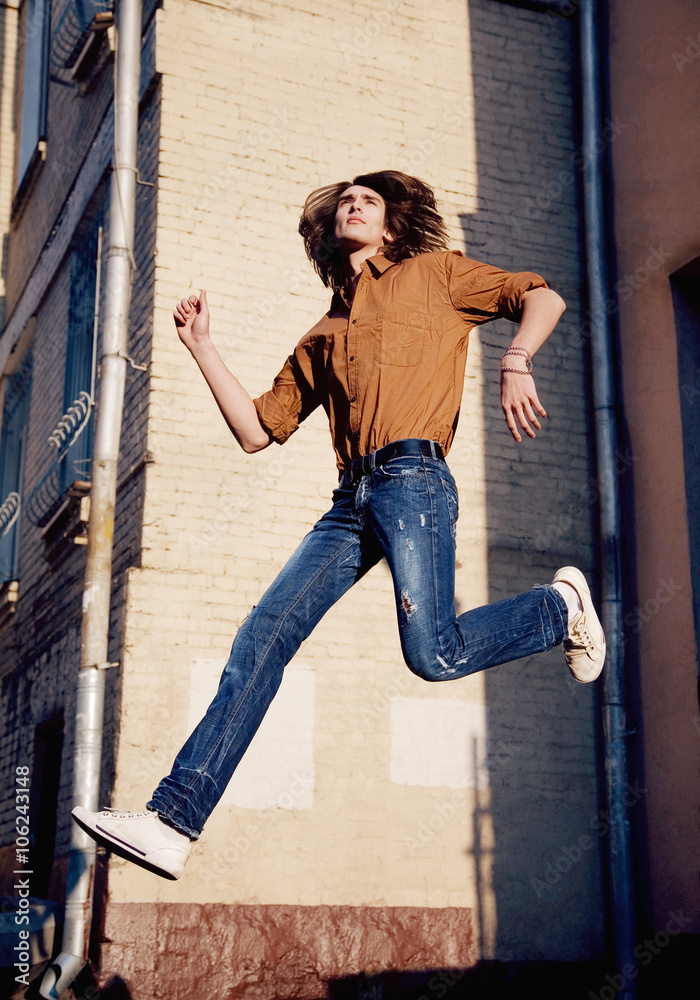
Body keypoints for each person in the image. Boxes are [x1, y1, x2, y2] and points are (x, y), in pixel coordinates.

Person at [73, 170, 605, 880]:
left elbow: (541, 295)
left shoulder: (436, 274)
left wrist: (516, 358)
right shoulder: (324, 332)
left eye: (370, 200)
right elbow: (259, 430)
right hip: (347, 504)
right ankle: (174, 821)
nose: (353, 203)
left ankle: (558, 609)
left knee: (434, 653)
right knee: (262, 637)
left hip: (415, 480)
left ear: (391, 226)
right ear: (331, 233)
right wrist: (201, 347)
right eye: (345, 201)